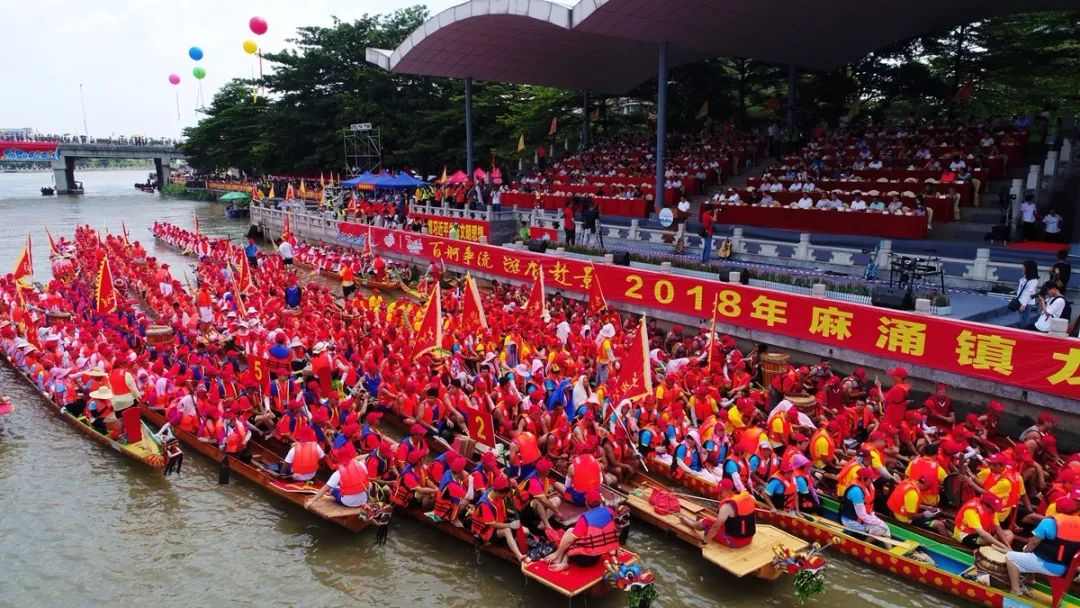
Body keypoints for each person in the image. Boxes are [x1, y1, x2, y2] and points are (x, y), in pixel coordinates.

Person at [1005, 496, 1080, 597]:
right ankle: (1030, 579)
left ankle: (1015, 590)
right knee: (1030, 551)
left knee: (1010, 557)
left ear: (1056, 509)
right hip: (1067, 568)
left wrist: (1024, 552)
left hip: (1049, 566)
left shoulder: (1048, 522)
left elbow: (1033, 543)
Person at [543, 490, 621, 572]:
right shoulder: (610, 511)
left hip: (582, 559)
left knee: (570, 533)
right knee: (577, 535)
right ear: (601, 501)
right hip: (597, 557)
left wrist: (556, 553)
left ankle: (562, 560)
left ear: (586, 503)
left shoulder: (585, 518)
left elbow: (569, 540)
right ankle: (562, 560)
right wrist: (614, 549)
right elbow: (611, 531)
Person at [677, 478, 756, 547]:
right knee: (719, 521)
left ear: (728, 490)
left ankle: (689, 523)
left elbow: (715, 528)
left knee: (705, 522)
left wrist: (704, 542)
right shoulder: (747, 497)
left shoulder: (726, 506)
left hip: (735, 542)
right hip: (749, 539)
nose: (719, 494)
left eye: (721, 492)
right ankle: (691, 522)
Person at [470, 475, 529, 562]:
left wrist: (515, 487)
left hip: (501, 522)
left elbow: (516, 495)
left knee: (526, 531)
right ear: (498, 492)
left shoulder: (498, 490)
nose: (506, 496)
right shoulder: (485, 504)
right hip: (487, 531)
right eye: (504, 495)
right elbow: (493, 524)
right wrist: (510, 525)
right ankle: (519, 556)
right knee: (507, 531)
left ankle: (511, 544)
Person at [306, 450, 371, 508]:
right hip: (363, 500)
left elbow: (325, 489)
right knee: (370, 484)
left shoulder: (338, 473)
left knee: (331, 488)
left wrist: (312, 501)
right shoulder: (362, 465)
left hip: (348, 503)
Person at [840, 468, 890, 537]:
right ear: (863, 478)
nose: (872, 481)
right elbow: (862, 515)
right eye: (871, 479)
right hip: (851, 521)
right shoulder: (856, 491)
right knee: (882, 529)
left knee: (885, 527)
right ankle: (866, 544)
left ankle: (885, 546)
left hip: (863, 519)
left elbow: (870, 509)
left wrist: (877, 520)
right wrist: (878, 522)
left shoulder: (869, 486)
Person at [1016, 260, 1040, 329]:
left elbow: (1030, 294)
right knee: (1020, 319)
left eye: (1023, 266)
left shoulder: (1033, 281)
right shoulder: (1025, 278)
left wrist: (1023, 305)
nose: (1022, 268)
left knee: (1024, 320)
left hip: (1025, 303)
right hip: (1020, 301)